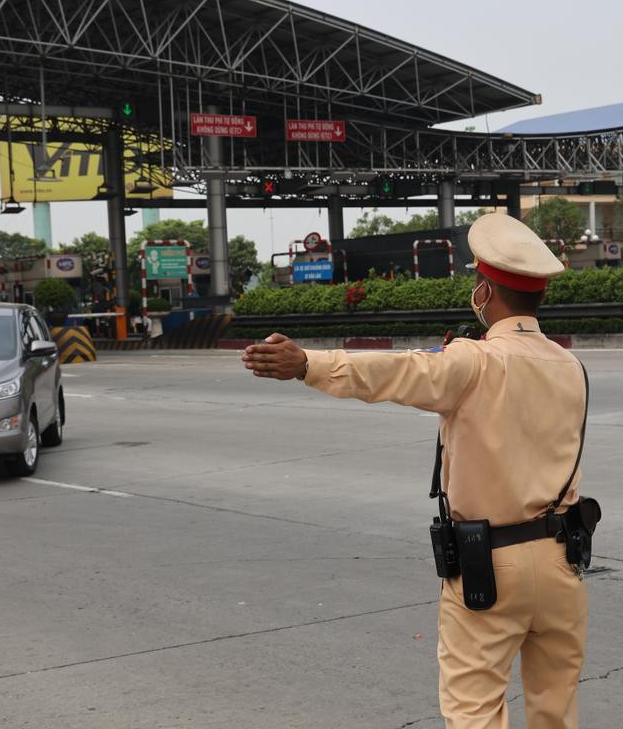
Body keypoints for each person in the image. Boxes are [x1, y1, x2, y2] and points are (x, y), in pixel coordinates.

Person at [241, 213, 590, 728]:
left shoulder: (474, 361)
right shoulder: (572, 367)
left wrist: (307, 364)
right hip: (562, 564)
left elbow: (398, 371)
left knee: (473, 711)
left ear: (485, 290)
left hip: (490, 567)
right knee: (555, 713)